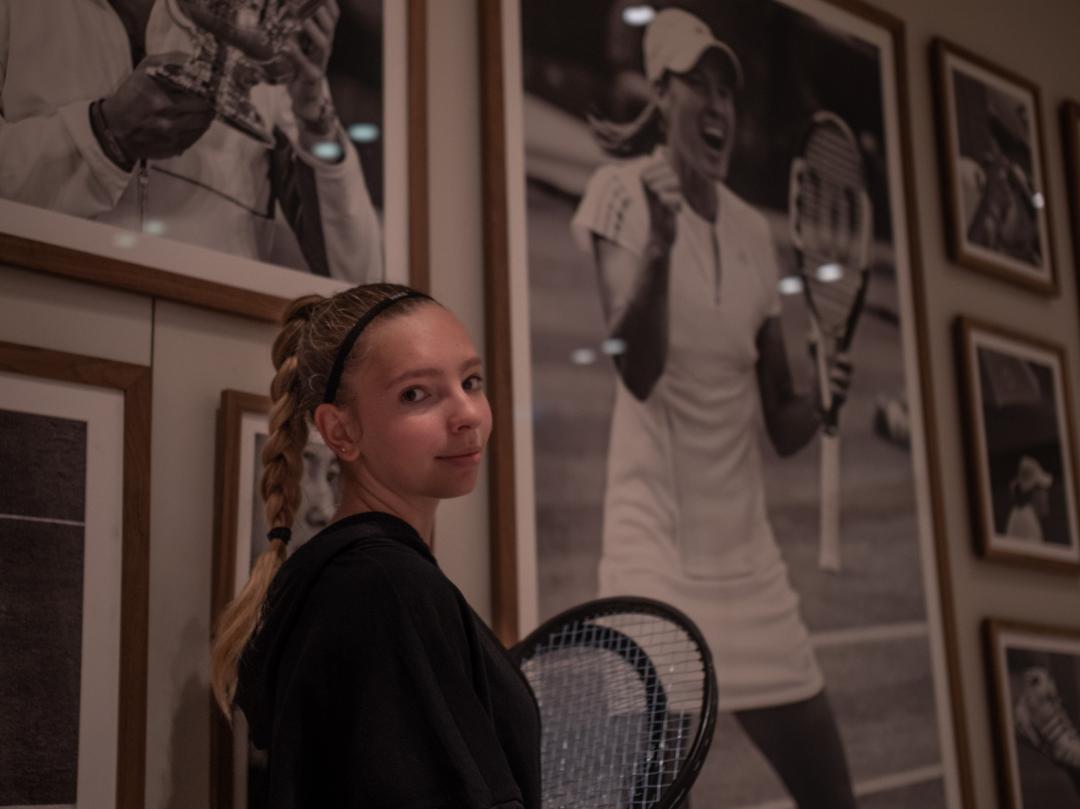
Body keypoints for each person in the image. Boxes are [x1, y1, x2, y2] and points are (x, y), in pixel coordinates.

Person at [571, 9, 856, 807]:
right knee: (662, 799)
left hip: (749, 567)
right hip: (651, 555)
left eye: (727, 89)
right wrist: (661, 246)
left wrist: (822, 394)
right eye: (700, 84)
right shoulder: (618, 193)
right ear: (662, 95)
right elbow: (637, 370)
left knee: (833, 796)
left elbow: (783, 421)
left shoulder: (754, 233)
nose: (719, 104)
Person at [210, 283, 540, 807]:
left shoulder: (341, 577)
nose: (468, 414)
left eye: (470, 382)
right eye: (416, 394)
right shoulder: (385, 585)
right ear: (341, 431)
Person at [0, 0, 382, 282]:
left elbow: (356, 276)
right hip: (43, 327)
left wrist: (313, 110)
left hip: (205, 337)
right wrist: (103, 135)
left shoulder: (256, 43)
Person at [1004, 454, 1053, 542]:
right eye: (1042, 489)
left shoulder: (1024, 514)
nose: (1046, 496)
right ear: (1031, 492)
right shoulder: (1025, 517)